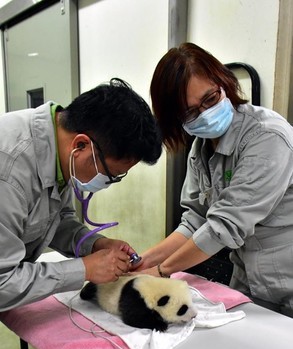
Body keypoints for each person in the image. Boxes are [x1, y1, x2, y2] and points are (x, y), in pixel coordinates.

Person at [136, 42, 293, 317]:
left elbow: (224, 226)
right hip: (249, 280)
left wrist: (161, 271)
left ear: (224, 84)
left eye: (210, 99)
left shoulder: (267, 138)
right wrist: (143, 261)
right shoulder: (200, 149)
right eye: (190, 112)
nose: (205, 114)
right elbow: (196, 219)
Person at [0, 78, 162, 311]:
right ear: (82, 145)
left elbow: (54, 220)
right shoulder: (9, 171)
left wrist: (96, 244)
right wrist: (84, 269)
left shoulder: (57, 148)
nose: (108, 183)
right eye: (110, 174)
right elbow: (2, 282)